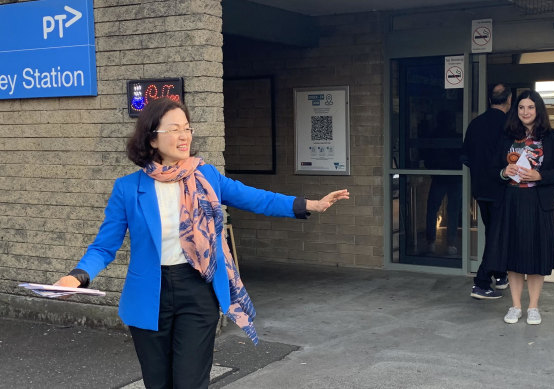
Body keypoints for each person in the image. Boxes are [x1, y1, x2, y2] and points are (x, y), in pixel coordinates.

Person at [54, 97, 350, 388]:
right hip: (149, 294)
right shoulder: (128, 188)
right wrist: (77, 276)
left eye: (187, 128)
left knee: (190, 381)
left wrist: (309, 204)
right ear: (152, 140)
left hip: (197, 289)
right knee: (158, 382)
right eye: (173, 129)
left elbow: (255, 198)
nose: (183, 136)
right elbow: (104, 246)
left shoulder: (205, 176)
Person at [483, 89, 554, 325]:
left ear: (538, 109)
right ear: (515, 110)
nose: (526, 112)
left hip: (540, 203)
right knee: (513, 254)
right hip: (511, 201)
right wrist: (503, 171)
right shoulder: (507, 137)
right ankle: (515, 305)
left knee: (537, 255)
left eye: (530, 107)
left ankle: (533, 307)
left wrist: (538, 175)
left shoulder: (552, 137)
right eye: (521, 107)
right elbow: (491, 169)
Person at [462, 84, 511, 299]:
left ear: (490, 100)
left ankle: (500, 274)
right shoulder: (510, 125)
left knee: (493, 231)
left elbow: (465, 157)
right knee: (496, 235)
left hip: (481, 189)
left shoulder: (475, 124)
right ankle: (481, 282)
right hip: (503, 188)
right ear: (509, 100)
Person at [424, 110, 462, 255]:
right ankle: (451, 243)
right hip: (455, 177)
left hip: (439, 178)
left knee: (432, 209)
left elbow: (428, 159)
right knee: (453, 210)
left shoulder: (433, 136)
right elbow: (462, 157)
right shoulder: (457, 136)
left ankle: (431, 242)